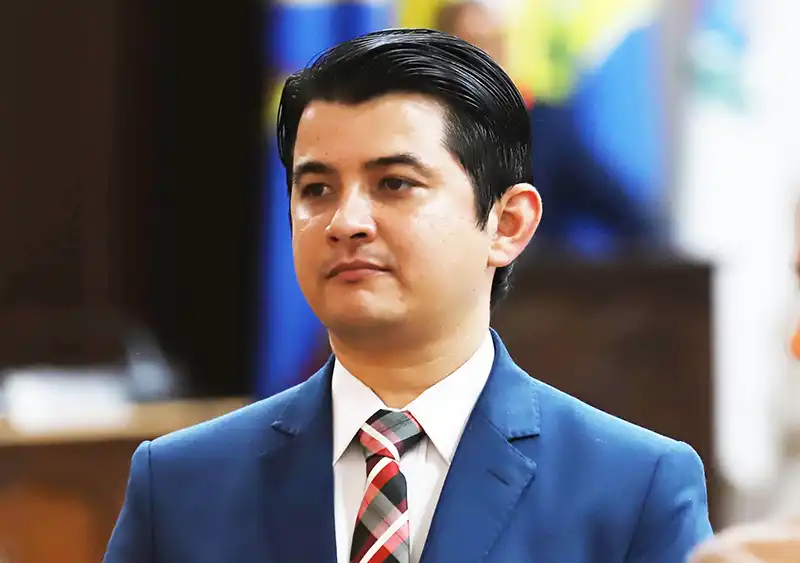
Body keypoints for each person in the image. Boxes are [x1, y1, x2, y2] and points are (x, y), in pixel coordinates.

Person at [104, 28, 712, 562]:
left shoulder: (634, 487)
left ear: (507, 225)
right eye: (316, 190)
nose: (346, 221)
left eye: (394, 183)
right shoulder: (180, 483)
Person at [435, 1, 659, 256]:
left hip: (528, 273)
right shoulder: (417, 127)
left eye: (492, 45)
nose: (484, 61)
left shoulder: (548, 127)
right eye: (470, 47)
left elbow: (630, 217)